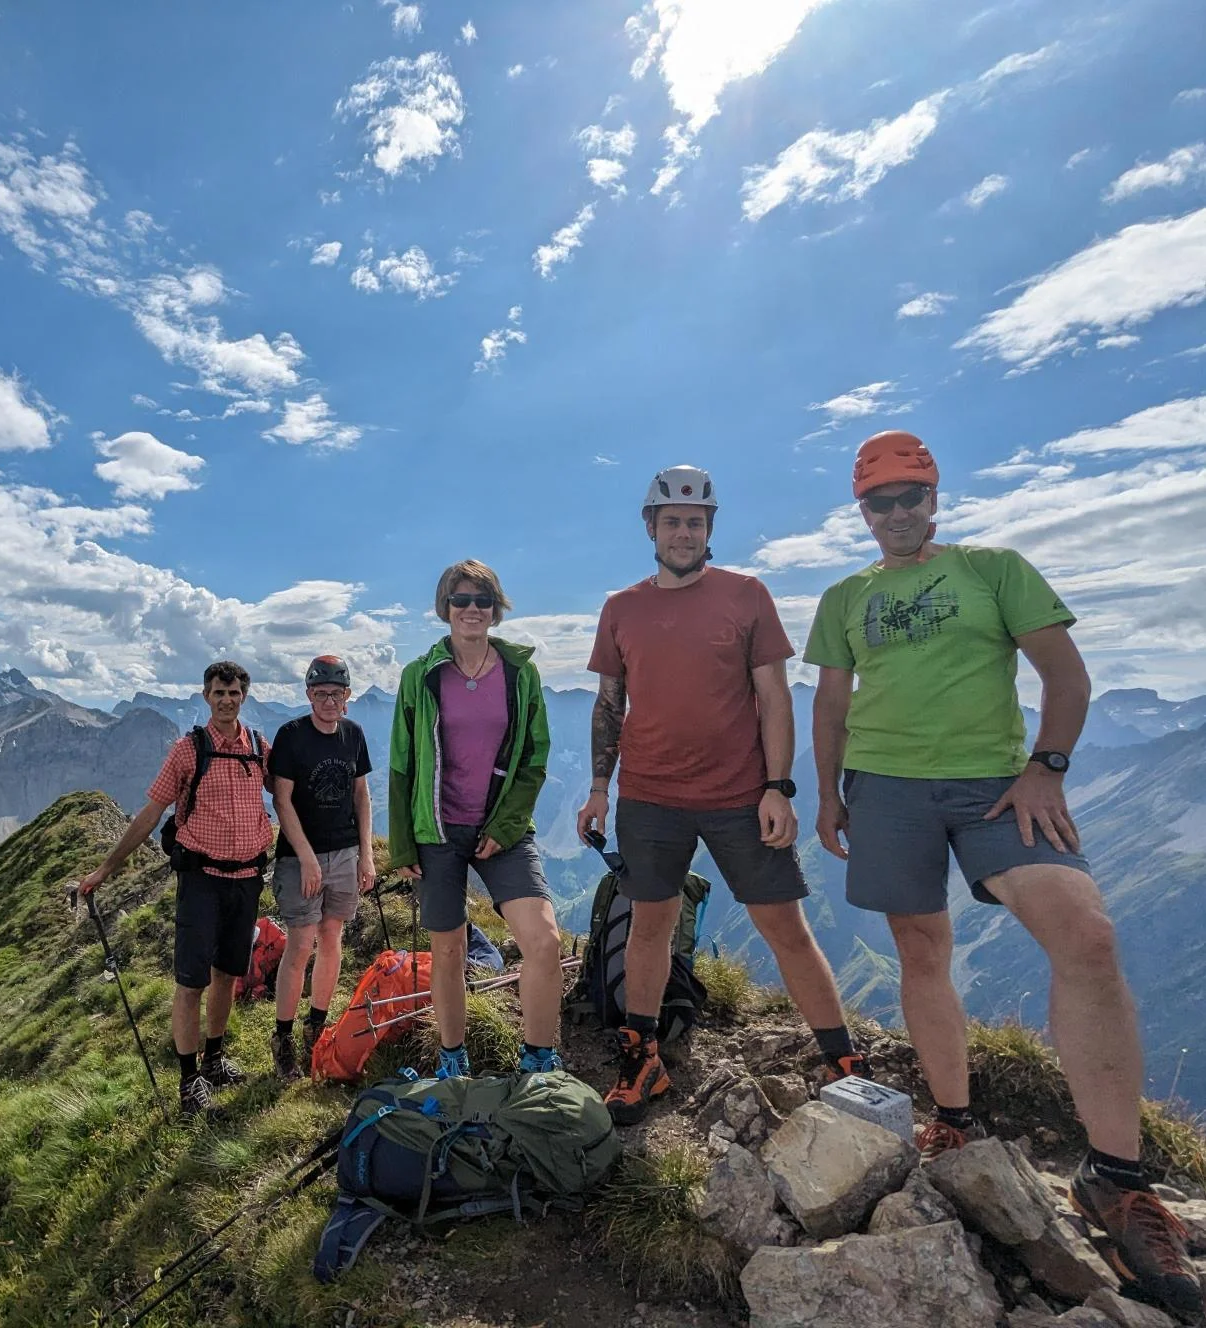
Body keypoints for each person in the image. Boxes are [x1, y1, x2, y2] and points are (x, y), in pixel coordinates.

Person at [807, 430, 1202, 1321]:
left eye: (913, 495)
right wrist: (827, 796)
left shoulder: (994, 568)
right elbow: (833, 702)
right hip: (884, 787)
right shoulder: (844, 597)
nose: (899, 512)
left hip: (998, 786)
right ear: (862, 511)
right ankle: (953, 1113)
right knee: (920, 946)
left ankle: (1117, 1177)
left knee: (1086, 935)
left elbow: (1064, 672)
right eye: (882, 501)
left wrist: (1046, 767)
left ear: (935, 498)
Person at [574, 465, 867, 1126]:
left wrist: (778, 787)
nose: (684, 532)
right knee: (649, 925)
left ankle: (841, 1059)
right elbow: (609, 705)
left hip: (740, 794)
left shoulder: (746, 595)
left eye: (696, 522)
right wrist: (598, 789)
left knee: (784, 926)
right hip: (648, 795)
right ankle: (640, 1057)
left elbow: (773, 698)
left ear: (709, 529)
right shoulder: (621, 608)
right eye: (673, 521)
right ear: (651, 526)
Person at [388, 560, 564, 1078]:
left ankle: (537, 1060)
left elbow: (534, 757)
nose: (471, 609)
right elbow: (402, 764)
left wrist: (505, 827)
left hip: (502, 829)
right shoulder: (419, 676)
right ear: (445, 607)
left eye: (482, 600)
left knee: (545, 942)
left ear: (496, 608)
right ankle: (452, 1058)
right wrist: (402, 846)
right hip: (436, 829)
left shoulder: (520, 674)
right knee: (448, 948)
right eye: (460, 600)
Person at [79, 660, 273, 1118]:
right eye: (218, 693)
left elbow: (285, 796)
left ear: (244, 696)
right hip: (202, 881)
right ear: (206, 697)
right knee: (191, 982)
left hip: (246, 879)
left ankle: (215, 1060)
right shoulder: (188, 751)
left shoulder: (259, 749)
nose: (227, 700)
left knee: (228, 974)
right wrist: (105, 870)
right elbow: (150, 814)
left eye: (234, 693)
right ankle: (190, 1082)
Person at [267, 655, 377, 1080]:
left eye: (336, 693)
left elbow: (361, 794)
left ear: (347, 696)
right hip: (300, 858)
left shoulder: (354, 734)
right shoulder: (292, 736)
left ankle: (317, 1026)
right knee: (301, 943)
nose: (329, 701)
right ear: (308, 694)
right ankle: (282, 1037)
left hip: (345, 852)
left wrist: (365, 853)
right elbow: (282, 800)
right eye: (320, 693)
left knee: (332, 937)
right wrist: (307, 857)